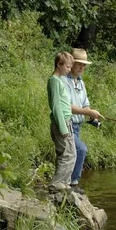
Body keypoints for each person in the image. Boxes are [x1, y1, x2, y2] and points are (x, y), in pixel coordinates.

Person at [62, 48, 102, 188]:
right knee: (81, 149)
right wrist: (88, 113)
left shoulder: (81, 82)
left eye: (84, 65)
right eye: (79, 64)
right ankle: (72, 184)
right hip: (66, 125)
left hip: (77, 127)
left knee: (71, 154)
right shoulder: (63, 81)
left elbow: (85, 105)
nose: (82, 67)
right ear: (71, 63)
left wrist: (93, 118)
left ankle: (67, 184)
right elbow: (67, 106)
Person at [47, 52, 81, 194]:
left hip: (67, 122)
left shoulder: (60, 80)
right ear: (58, 64)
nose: (69, 69)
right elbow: (56, 107)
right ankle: (56, 184)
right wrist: (63, 128)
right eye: (67, 67)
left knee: (72, 153)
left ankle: (65, 183)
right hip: (61, 124)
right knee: (66, 154)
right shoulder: (54, 81)